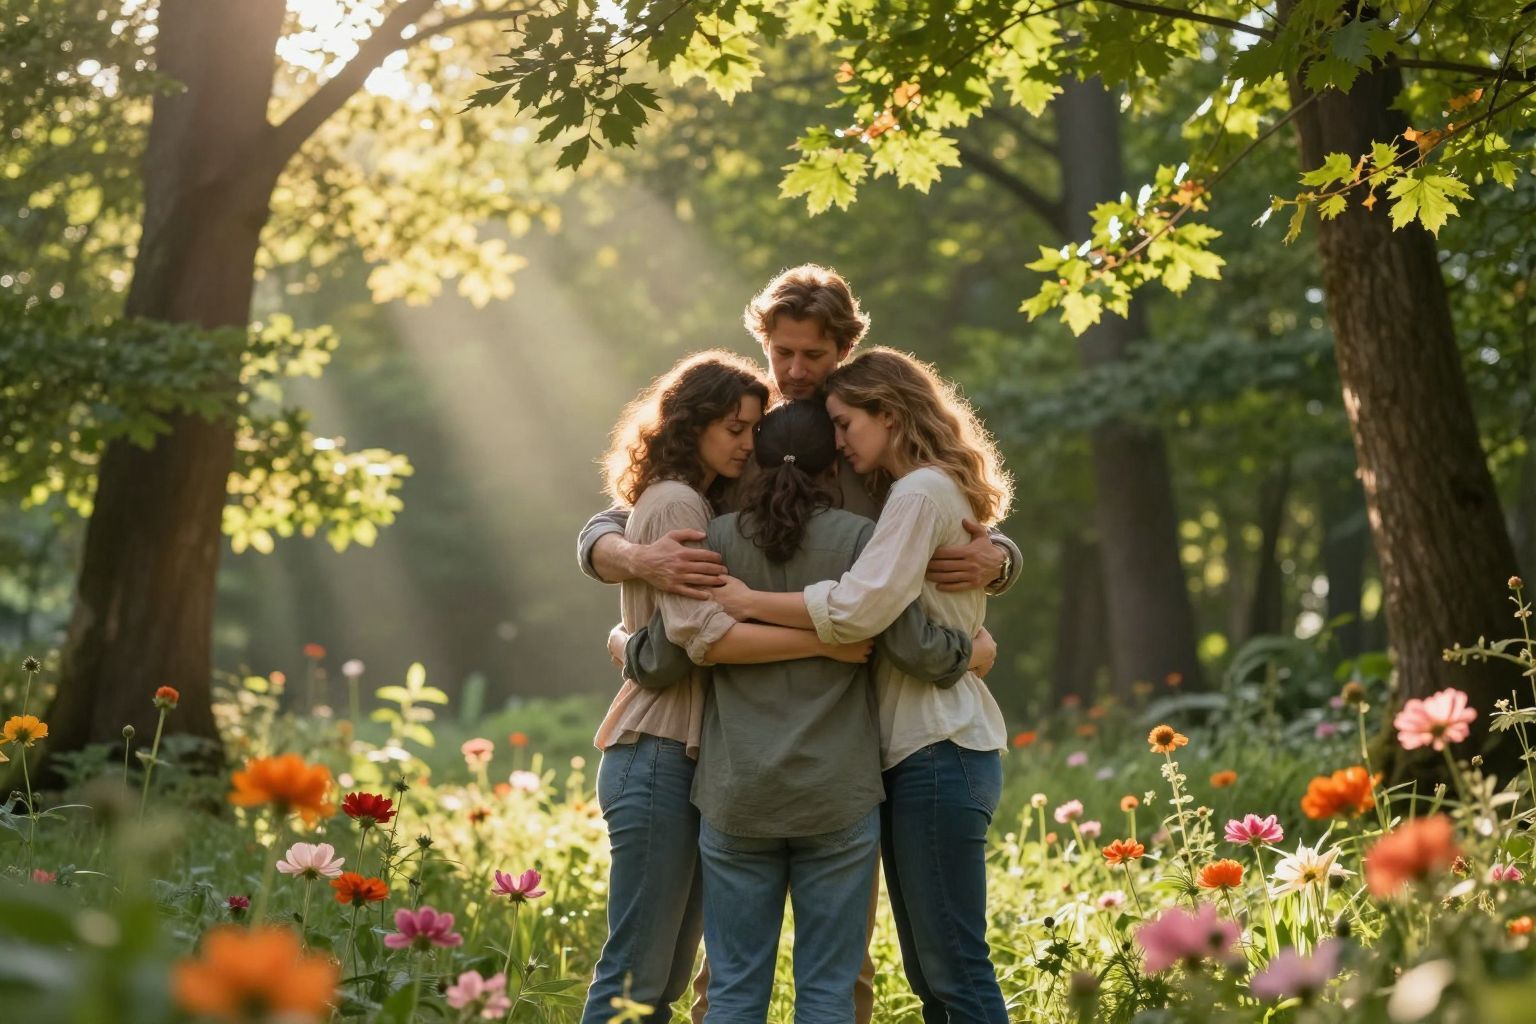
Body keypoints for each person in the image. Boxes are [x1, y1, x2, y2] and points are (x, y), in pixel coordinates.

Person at [577, 265, 1021, 1024]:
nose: (794, 371)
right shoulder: (745, 439)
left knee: (842, 968)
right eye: (781, 352)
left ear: (846, 347)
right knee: (717, 972)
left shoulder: (863, 445)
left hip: (850, 744)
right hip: (739, 743)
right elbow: (625, 520)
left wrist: (1003, 560)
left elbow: (944, 525)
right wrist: (627, 565)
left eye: (812, 354)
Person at [618, 400, 997, 1023]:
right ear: (832, 471)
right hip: (837, 791)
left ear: (756, 462)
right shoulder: (861, 538)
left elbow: (674, 648)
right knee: (827, 992)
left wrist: (622, 642)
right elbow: (902, 643)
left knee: (735, 991)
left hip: (736, 790)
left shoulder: (711, 541)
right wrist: (973, 646)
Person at [710, 348, 1015, 1024]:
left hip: (937, 744)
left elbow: (858, 611)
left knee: (954, 968)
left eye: (848, 424)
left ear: (891, 413)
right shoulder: (924, 491)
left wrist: (745, 600)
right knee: (935, 971)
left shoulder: (914, 493)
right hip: (923, 748)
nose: (839, 442)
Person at [580, 352, 876, 1024]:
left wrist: (627, 640)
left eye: (753, 430)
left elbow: (665, 627)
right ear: (692, 425)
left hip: (686, 752)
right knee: (635, 976)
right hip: (656, 745)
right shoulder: (680, 501)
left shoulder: (710, 504)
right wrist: (828, 637)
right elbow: (699, 638)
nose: (748, 443)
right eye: (734, 428)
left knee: (665, 975)